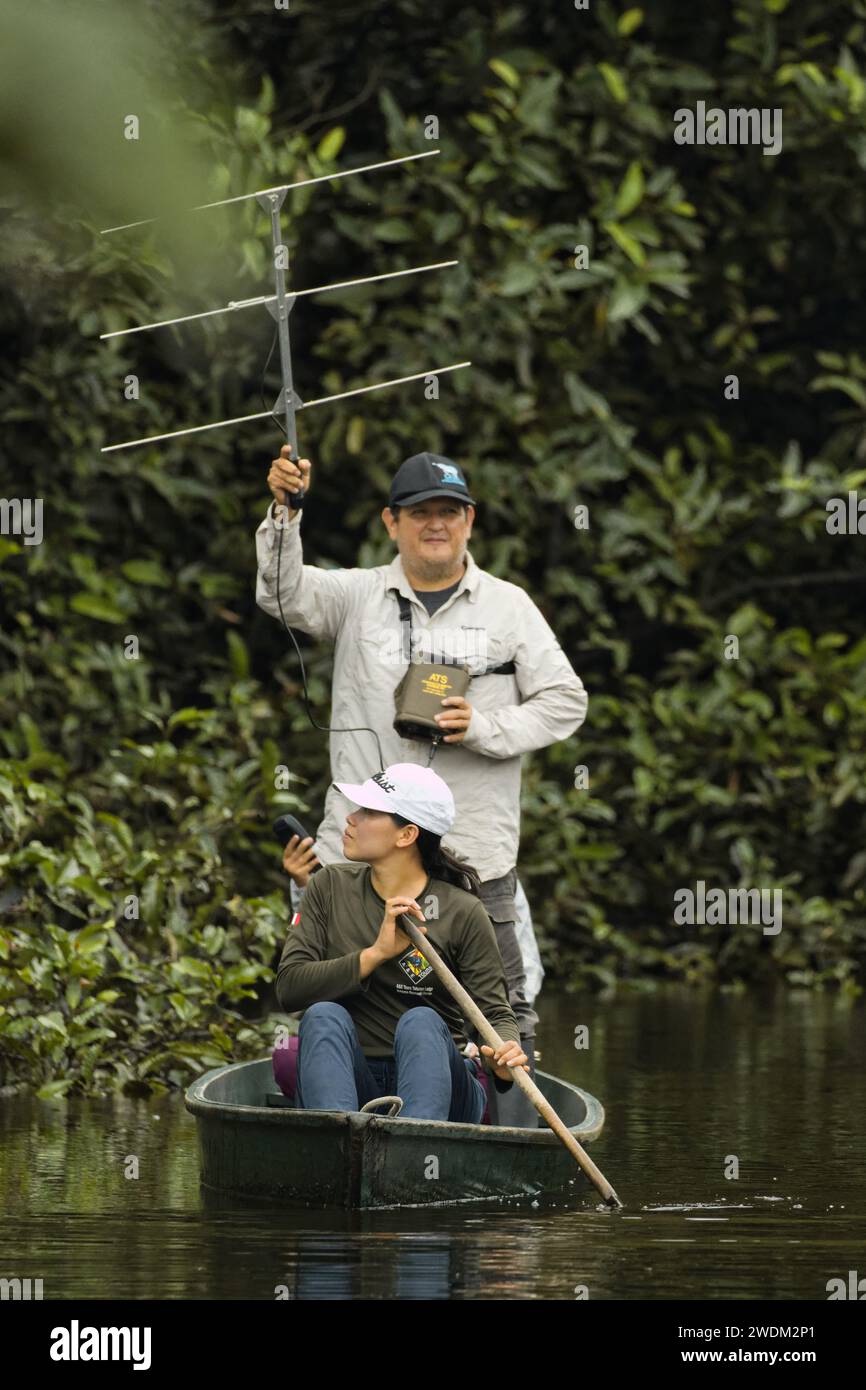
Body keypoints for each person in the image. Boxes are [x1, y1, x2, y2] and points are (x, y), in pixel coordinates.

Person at [256, 447, 587, 1121]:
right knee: (337, 994)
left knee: (501, 1010)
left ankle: (497, 1134)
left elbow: (566, 700)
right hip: (362, 851)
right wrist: (285, 511)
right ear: (391, 522)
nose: (434, 524)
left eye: (449, 512)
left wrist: (483, 724)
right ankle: (345, 1123)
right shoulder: (354, 597)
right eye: (419, 513)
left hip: (475, 842)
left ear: (469, 521)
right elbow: (282, 595)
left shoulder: (508, 607)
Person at [275, 763, 530, 1121]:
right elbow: (290, 989)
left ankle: (415, 1152)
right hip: (357, 1080)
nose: (351, 818)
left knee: (421, 1022)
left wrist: (503, 1054)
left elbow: (495, 1014)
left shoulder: (463, 911)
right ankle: (338, 1145)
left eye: (368, 812)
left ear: (407, 835)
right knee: (322, 1015)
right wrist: (375, 954)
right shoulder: (328, 886)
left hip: (442, 1085)